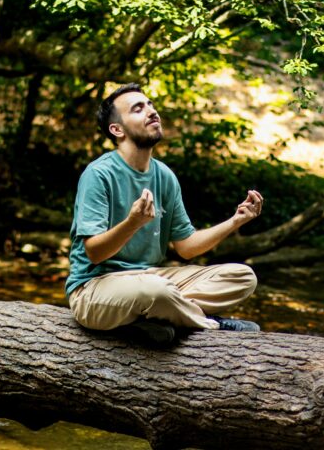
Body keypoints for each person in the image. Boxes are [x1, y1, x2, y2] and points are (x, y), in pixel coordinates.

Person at [66, 83, 263, 345]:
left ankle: (149, 322)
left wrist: (235, 221)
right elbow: (95, 252)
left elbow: (186, 247)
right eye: (138, 109)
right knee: (156, 291)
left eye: (151, 105)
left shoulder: (164, 176)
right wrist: (132, 223)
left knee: (242, 277)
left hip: (150, 279)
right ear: (117, 129)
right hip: (94, 288)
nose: (151, 112)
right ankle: (211, 324)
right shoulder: (98, 175)